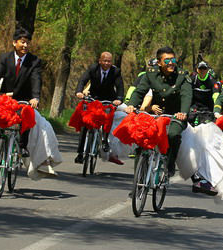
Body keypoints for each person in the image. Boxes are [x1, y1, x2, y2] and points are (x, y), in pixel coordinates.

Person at [0, 27, 42, 183]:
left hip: (24, 99)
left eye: (28, 43)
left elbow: (36, 80)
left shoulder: (34, 61)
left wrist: (35, 97)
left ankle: (22, 145)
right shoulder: (5, 58)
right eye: (22, 42)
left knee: (27, 115)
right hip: (6, 98)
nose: (25, 45)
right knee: (0, 132)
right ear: (14, 42)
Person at [126, 46, 192, 179]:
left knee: (173, 134)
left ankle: (170, 162)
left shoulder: (182, 76)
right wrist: (131, 105)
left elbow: (186, 95)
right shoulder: (151, 74)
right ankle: (138, 180)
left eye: (173, 59)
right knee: (142, 140)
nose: (171, 63)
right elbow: (140, 91)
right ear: (159, 62)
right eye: (167, 60)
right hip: (155, 114)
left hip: (175, 115)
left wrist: (183, 112)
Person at [74, 52, 124, 165]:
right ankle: (80, 153)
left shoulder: (115, 71)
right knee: (85, 123)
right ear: (100, 61)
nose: (107, 63)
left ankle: (105, 140)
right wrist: (79, 92)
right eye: (104, 61)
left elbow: (120, 86)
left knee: (108, 116)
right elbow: (82, 80)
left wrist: (119, 99)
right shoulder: (93, 68)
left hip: (109, 99)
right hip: (94, 97)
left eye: (109, 61)